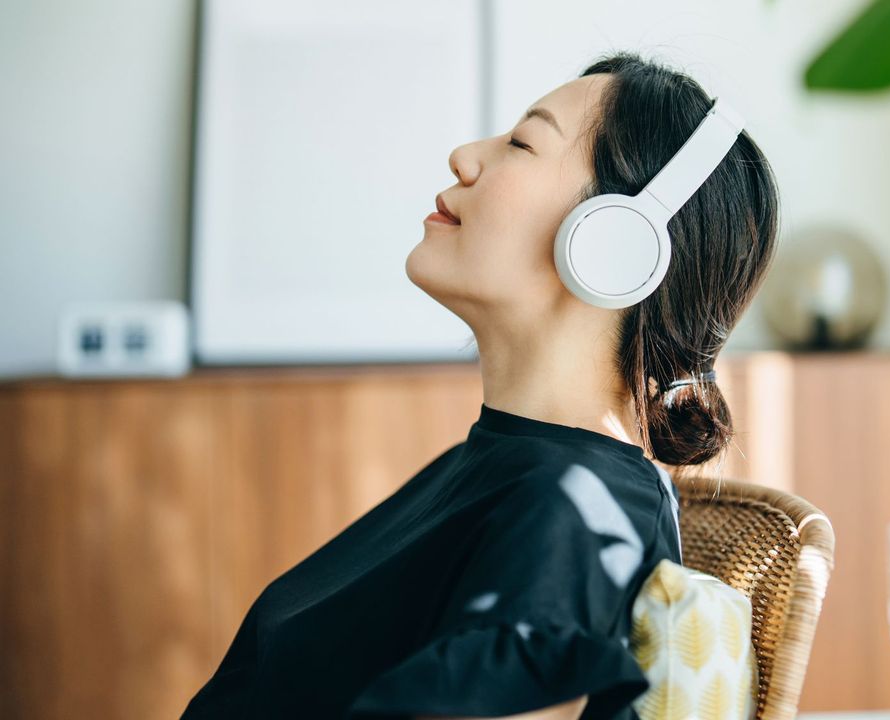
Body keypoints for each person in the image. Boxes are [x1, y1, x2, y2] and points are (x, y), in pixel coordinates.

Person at [180, 50, 780, 720]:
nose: (465, 156)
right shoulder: (515, 470)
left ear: (617, 241)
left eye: (522, 143)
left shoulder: (571, 509)